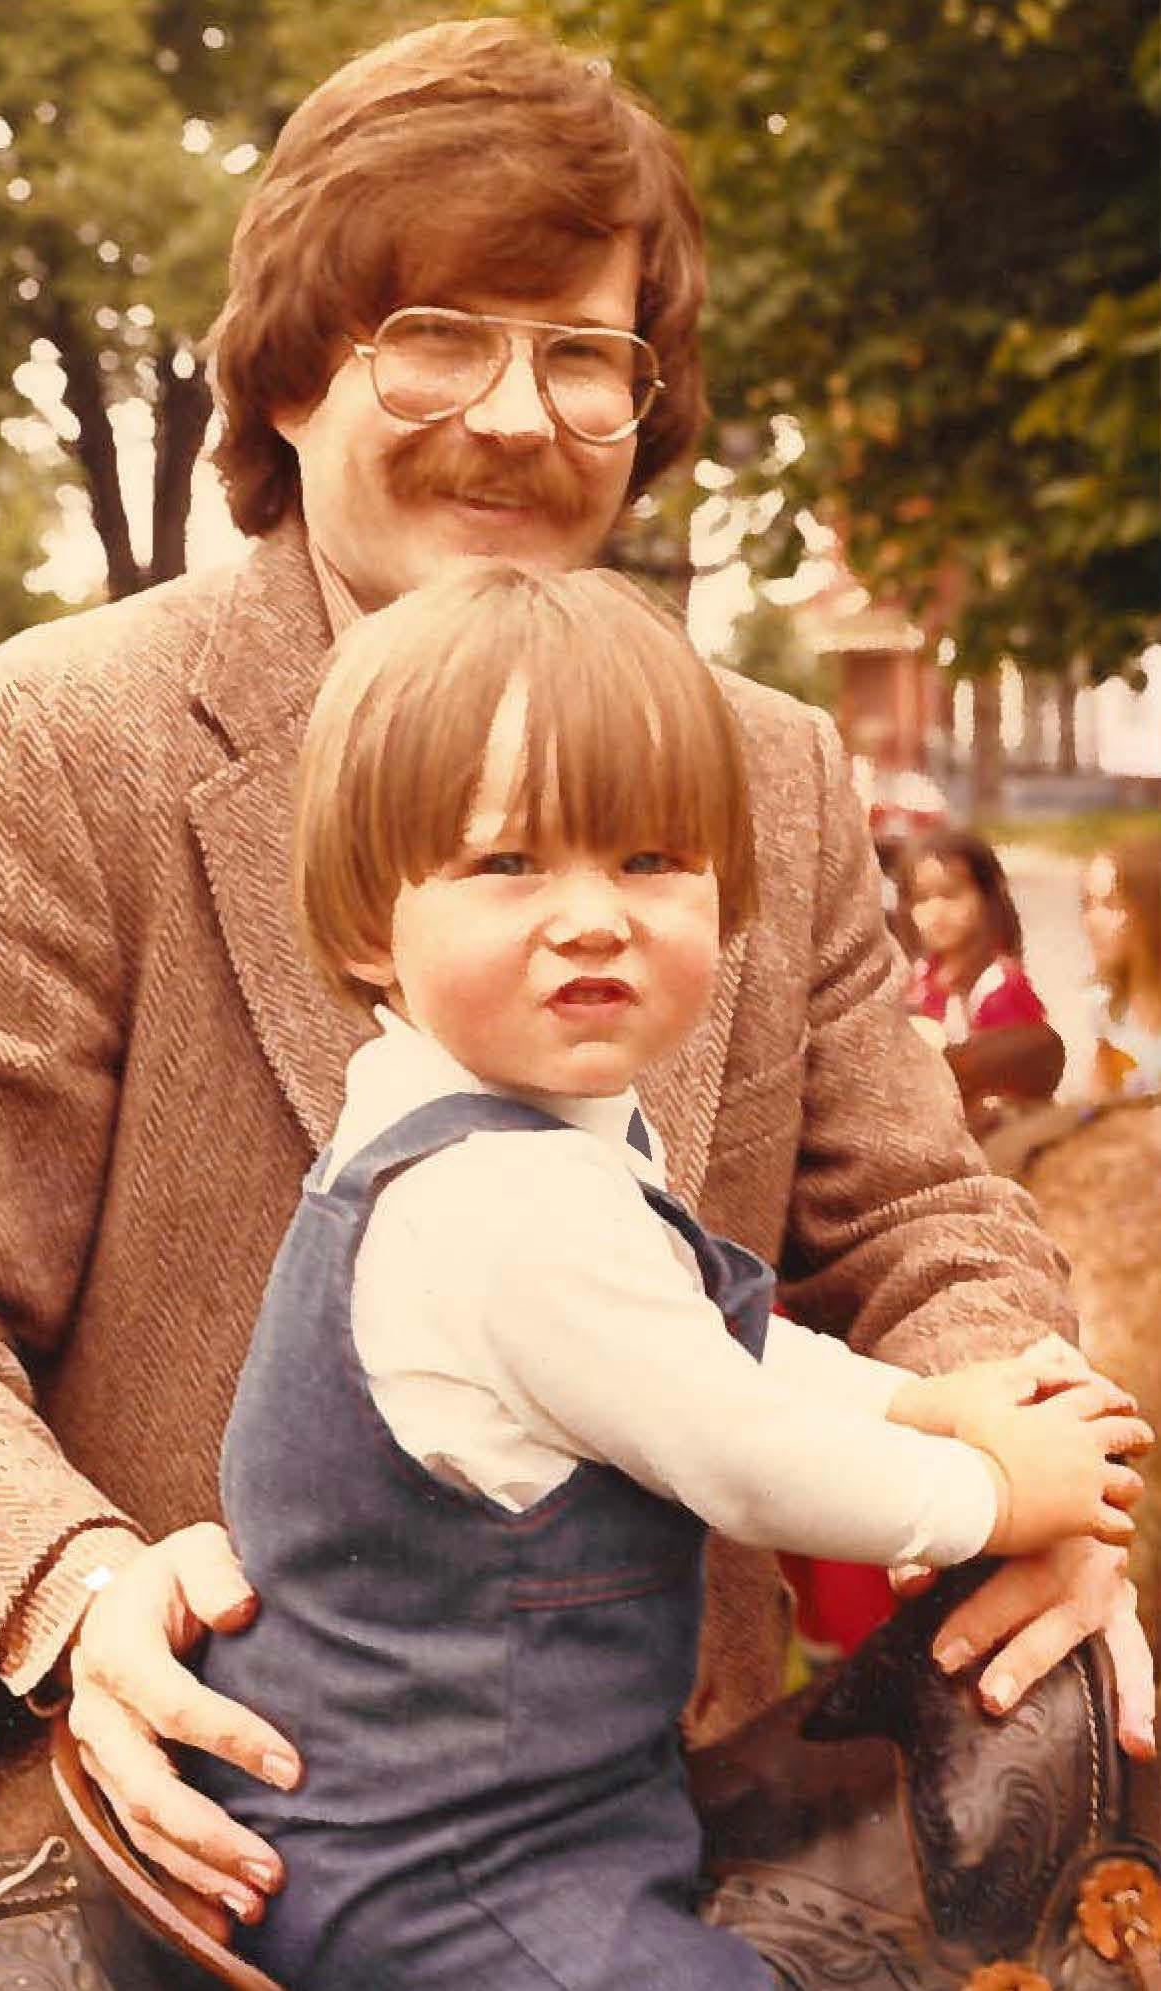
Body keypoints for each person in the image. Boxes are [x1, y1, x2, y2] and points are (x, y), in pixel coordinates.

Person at [0, 16, 1151, 1945]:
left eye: (582, 352)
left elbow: (916, 1219)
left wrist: (1035, 1495)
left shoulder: (766, 769)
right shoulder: (53, 740)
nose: (514, 410)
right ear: (294, 371)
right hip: (141, 1866)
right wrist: (73, 1600)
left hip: (673, 1851)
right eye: (435, 333)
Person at [188, 558, 1148, 1985]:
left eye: (648, 860)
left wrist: (920, 1401)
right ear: (361, 923)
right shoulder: (499, 1201)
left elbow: (720, 1341)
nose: (591, 914)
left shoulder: (507, 1130)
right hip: (448, 1869)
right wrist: (994, 1490)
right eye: (506, 861)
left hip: (532, 1807)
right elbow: (737, 1451)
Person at [898, 827, 1065, 1136]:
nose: (936, 912)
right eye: (922, 899)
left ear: (987, 898)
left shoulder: (999, 986)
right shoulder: (918, 977)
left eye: (950, 895)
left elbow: (1017, 1074)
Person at [1081, 837, 1161, 1101]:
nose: (1092, 921)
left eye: (1111, 905)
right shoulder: (1104, 1008)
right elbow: (1096, 1108)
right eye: (1087, 904)